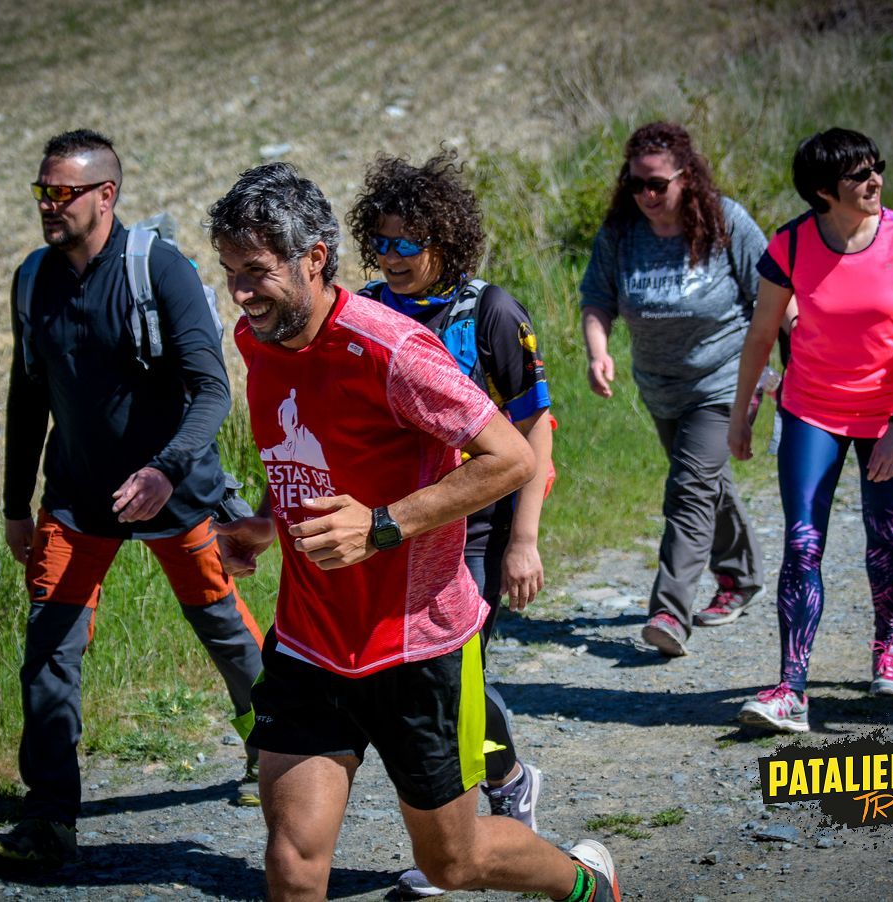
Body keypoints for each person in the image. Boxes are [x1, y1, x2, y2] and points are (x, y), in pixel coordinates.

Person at [209, 162, 619, 902]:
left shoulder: (393, 350)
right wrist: (267, 524)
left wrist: (382, 527)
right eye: (231, 271)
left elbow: (512, 455)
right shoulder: (256, 339)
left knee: (451, 864)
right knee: (294, 864)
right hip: (310, 641)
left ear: (314, 259)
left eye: (257, 272)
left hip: (416, 644)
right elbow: (308, 456)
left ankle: (586, 885)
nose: (241, 293)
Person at [0, 129, 266, 867]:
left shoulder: (159, 270)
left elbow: (212, 391)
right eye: (42, 191)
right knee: (48, 651)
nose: (48, 205)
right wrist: (18, 504)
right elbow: (26, 399)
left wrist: (166, 469)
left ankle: (273, 753)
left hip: (174, 494)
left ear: (105, 196)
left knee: (225, 631)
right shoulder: (33, 280)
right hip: (75, 501)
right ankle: (50, 818)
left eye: (62, 192)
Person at [346, 149, 553, 898]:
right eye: (382, 244)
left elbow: (536, 430)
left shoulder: (491, 312)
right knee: (423, 680)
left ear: (447, 240)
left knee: (446, 679)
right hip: (397, 526)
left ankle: (469, 829)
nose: (393, 260)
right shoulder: (366, 311)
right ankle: (504, 777)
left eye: (409, 244)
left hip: (479, 529)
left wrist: (524, 538)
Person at [728, 128, 893, 733]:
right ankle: (792, 688)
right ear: (824, 191)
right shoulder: (790, 245)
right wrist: (743, 412)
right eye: (859, 175)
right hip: (811, 409)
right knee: (802, 541)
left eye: (878, 168)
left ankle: (886, 646)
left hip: (892, 414)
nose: (875, 182)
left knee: (885, 534)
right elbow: (762, 336)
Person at [579, 122, 767, 658]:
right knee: (706, 481)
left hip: (724, 379)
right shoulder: (621, 234)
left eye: (658, 184)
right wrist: (599, 351)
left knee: (688, 487)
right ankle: (742, 577)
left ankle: (669, 611)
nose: (647, 196)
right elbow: (597, 297)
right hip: (661, 387)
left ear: (687, 177)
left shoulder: (727, 223)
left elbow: (771, 297)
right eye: (636, 184)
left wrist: (781, 368)